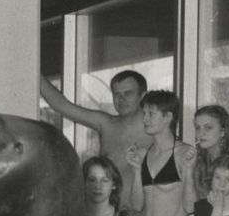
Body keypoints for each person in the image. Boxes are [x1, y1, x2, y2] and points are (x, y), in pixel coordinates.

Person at [40, 69, 151, 201]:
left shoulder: (157, 132)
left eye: (128, 93)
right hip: (104, 215)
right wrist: (34, 68)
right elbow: (62, 106)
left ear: (143, 96)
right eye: (117, 94)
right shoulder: (106, 124)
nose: (121, 99)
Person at [125, 90, 195, 216]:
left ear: (168, 117)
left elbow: (189, 206)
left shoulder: (184, 153)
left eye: (151, 114)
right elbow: (137, 205)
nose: (145, 119)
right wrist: (136, 170)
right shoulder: (143, 154)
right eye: (144, 114)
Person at [184, 105, 229, 206]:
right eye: (198, 128)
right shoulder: (198, 160)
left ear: (222, 131)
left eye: (208, 128)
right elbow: (190, 208)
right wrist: (188, 169)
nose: (201, 133)